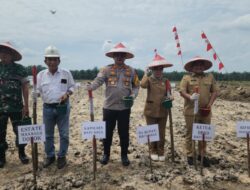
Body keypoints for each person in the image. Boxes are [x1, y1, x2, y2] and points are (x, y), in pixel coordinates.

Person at [86, 42, 140, 166]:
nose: (119, 57)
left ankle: (124, 155)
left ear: (125, 56)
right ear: (113, 57)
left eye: (122, 55)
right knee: (107, 132)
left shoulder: (132, 71)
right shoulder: (106, 70)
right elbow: (97, 81)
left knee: (124, 132)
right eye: (117, 55)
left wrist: (133, 95)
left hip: (124, 108)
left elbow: (137, 86)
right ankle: (106, 154)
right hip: (109, 107)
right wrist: (90, 87)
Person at [35, 45, 75, 169]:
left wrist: (67, 94)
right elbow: (37, 91)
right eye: (49, 59)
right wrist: (34, 96)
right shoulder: (41, 75)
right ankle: (50, 156)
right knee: (48, 135)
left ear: (59, 61)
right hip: (47, 108)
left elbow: (72, 87)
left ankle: (62, 156)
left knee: (64, 134)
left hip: (62, 107)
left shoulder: (66, 73)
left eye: (55, 59)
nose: (52, 62)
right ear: (45, 61)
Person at [179, 56, 218, 167]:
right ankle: (190, 155)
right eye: (196, 65)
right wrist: (190, 97)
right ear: (192, 67)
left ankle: (202, 155)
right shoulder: (186, 77)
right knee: (190, 133)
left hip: (205, 111)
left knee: (204, 133)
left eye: (201, 65)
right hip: (190, 111)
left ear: (204, 66)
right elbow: (181, 91)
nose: (198, 67)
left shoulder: (210, 77)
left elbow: (215, 92)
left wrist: (210, 104)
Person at [0, 41, 30, 168]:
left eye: (7, 52)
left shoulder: (20, 69)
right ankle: (1, 157)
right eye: (2, 51)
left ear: (12, 54)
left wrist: (26, 106)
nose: (4, 54)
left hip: (17, 107)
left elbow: (25, 88)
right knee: (0, 133)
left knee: (20, 132)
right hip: (0, 108)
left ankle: (22, 153)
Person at [140, 51, 173, 161]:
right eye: (156, 69)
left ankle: (160, 150)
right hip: (150, 109)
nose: (158, 71)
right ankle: (153, 150)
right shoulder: (149, 80)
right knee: (152, 131)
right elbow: (142, 85)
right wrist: (145, 73)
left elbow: (170, 94)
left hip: (163, 110)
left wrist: (171, 98)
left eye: (160, 69)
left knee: (161, 132)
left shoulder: (166, 81)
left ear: (162, 70)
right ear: (152, 70)